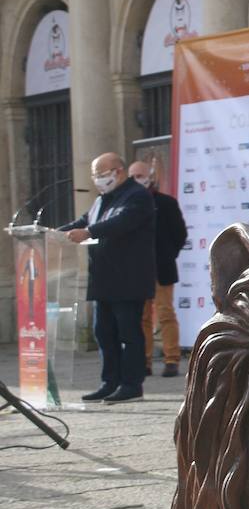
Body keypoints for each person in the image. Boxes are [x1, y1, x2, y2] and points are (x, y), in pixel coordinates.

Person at [61, 153, 156, 403]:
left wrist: (88, 232)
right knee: (103, 332)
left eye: (102, 174)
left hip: (127, 279)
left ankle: (131, 385)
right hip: (104, 280)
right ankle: (109, 381)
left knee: (128, 333)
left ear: (119, 171)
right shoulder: (102, 200)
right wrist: (53, 234)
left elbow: (120, 222)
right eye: (96, 175)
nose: (98, 180)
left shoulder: (137, 196)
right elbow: (84, 221)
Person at [130, 160, 187, 378]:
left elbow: (179, 234)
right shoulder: (129, 204)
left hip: (161, 268)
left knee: (165, 313)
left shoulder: (166, 203)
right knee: (142, 317)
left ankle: (171, 359)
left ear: (150, 176)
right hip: (137, 269)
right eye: (132, 176)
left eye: (140, 175)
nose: (137, 180)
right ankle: (144, 361)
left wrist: (167, 254)